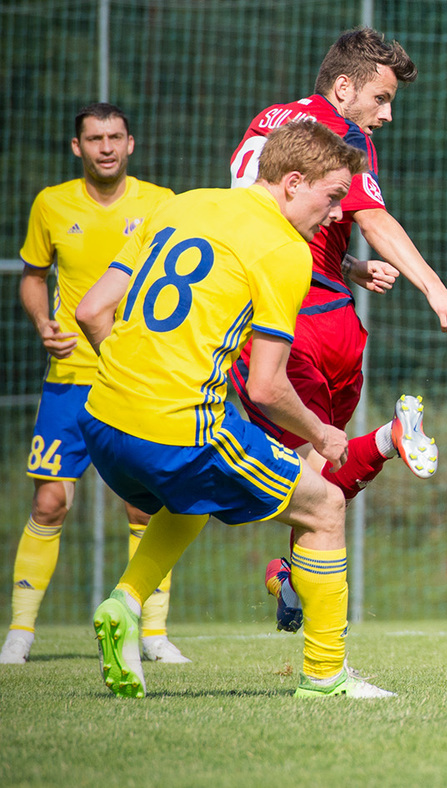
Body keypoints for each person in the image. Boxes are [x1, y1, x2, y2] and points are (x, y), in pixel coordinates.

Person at [79, 119, 392, 699]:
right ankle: (325, 677)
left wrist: (137, 384)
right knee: (324, 506)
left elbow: (92, 310)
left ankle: (124, 603)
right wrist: (322, 433)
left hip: (101, 418)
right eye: (331, 198)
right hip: (177, 432)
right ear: (293, 183)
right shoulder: (284, 250)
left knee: (192, 500)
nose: (335, 216)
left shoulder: (181, 205)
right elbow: (269, 388)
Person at [227, 28, 447, 630]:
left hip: (293, 309)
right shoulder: (339, 133)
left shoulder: (270, 121)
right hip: (313, 319)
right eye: (381, 99)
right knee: (309, 475)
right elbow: (373, 218)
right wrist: (435, 289)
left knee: (309, 473)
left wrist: (349, 264)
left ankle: (308, 618)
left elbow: (271, 221)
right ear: (344, 87)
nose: (386, 115)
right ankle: (386, 441)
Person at [1, 105, 186, 666]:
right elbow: (33, 278)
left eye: (114, 137)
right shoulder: (51, 204)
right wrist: (43, 323)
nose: (105, 147)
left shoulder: (162, 202)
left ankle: (153, 634)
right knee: (50, 502)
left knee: (144, 507)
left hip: (136, 378)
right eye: (94, 138)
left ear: (130, 144)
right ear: (76, 147)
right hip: (71, 380)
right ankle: (19, 633)